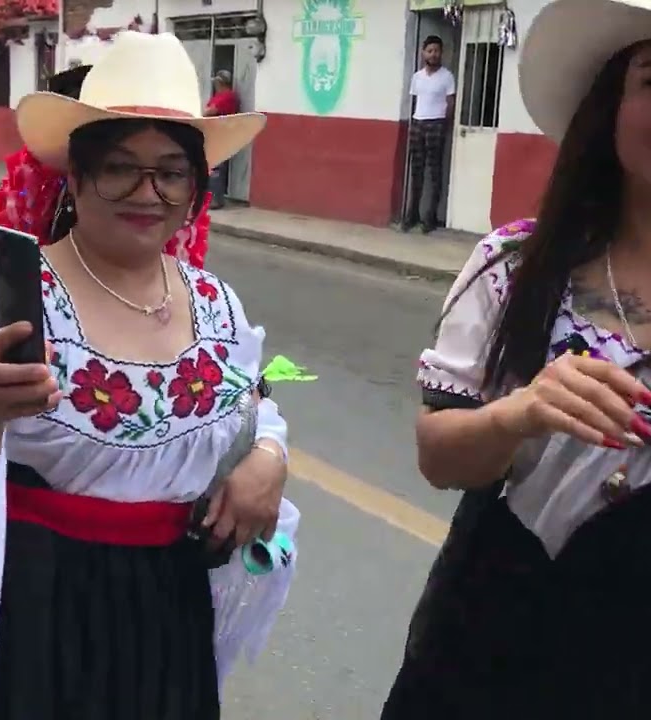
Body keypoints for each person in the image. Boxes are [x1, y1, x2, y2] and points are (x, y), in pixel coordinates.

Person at [0, 32, 297, 720]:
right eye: (120, 169)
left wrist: (269, 458)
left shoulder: (215, 303)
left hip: (166, 605)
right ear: (76, 180)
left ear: (195, 189)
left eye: (171, 172)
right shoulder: (13, 297)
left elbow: (254, 406)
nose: (148, 192)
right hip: (35, 605)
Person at [381, 2, 651, 717]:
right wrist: (519, 415)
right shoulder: (514, 265)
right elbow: (439, 457)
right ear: (608, 105)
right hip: (492, 644)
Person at [402, 35, 455, 234]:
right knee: (416, 172)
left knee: (434, 172)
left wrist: (444, 126)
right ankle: (412, 215)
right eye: (430, 51)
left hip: (437, 124)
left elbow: (450, 103)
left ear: (441, 53)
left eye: (437, 51)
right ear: (423, 53)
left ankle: (430, 217)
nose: (433, 54)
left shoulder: (447, 76)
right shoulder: (417, 77)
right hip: (418, 123)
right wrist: (414, 122)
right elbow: (415, 102)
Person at [203, 70, 240, 210]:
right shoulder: (218, 96)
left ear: (221, 83)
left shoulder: (228, 96)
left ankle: (216, 200)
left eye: (217, 82)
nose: (215, 85)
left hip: (221, 136)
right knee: (211, 167)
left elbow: (209, 111)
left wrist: (206, 112)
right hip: (213, 135)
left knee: (216, 168)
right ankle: (210, 198)